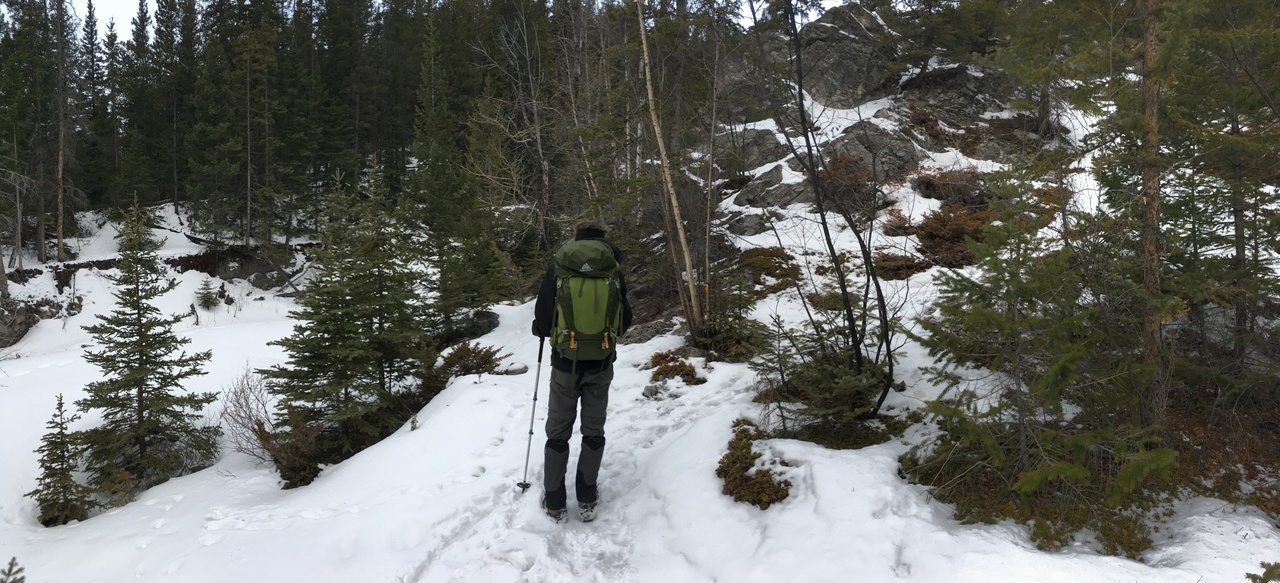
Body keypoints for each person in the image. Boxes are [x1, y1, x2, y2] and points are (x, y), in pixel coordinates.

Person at [531, 219, 633, 522]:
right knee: (593, 429)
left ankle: (555, 502)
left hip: (565, 362)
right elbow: (624, 322)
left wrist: (543, 330)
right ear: (603, 239)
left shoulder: (559, 267)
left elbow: (543, 317)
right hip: (601, 362)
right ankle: (587, 498)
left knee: (558, 430)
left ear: (576, 238)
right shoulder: (612, 269)